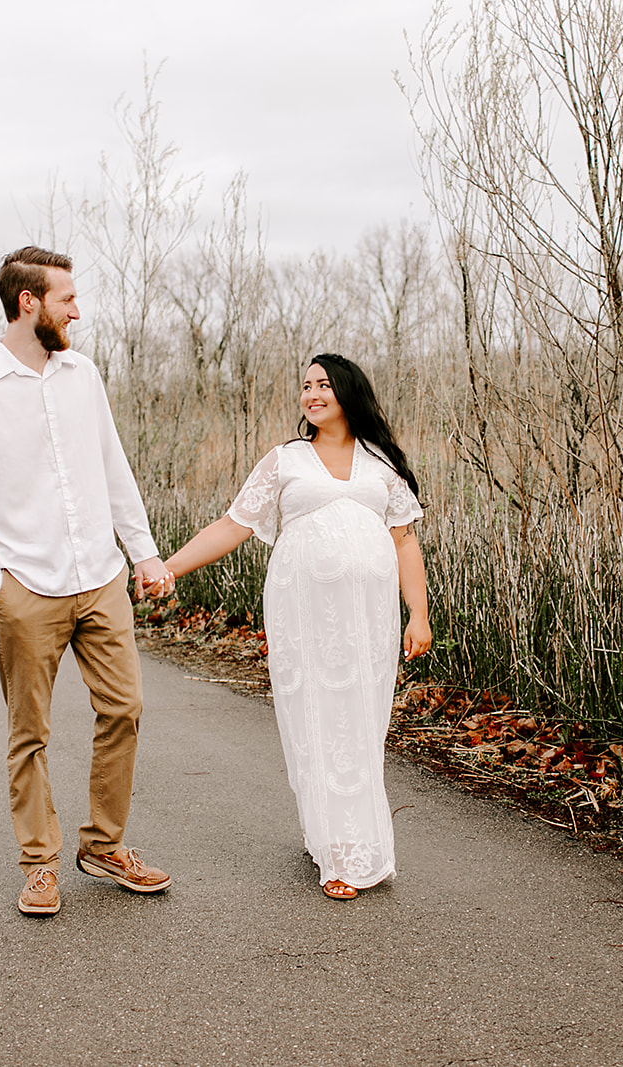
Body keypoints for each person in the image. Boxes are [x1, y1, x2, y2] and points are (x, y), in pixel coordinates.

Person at [0, 245, 176, 915]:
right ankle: (39, 863)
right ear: (29, 302)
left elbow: (113, 467)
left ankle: (103, 845)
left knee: (125, 708)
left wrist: (144, 553)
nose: (78, 308)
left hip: (100, 578)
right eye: (67, 297)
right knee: (30, 732)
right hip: (28, 588)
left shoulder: (83, 375)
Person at [163, 354, 431, 900]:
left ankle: (348, 838)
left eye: (324, 385)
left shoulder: (381, 464)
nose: (311, 394)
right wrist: (169, 567)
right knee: (315, 719)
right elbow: (234, 525)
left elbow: (405, 542)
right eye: (306, 386)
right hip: (303, 612)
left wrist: (418, 614)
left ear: (348, 392)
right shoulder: (285, 460)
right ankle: (338, 852)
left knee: (360, 723)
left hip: (369, 616)